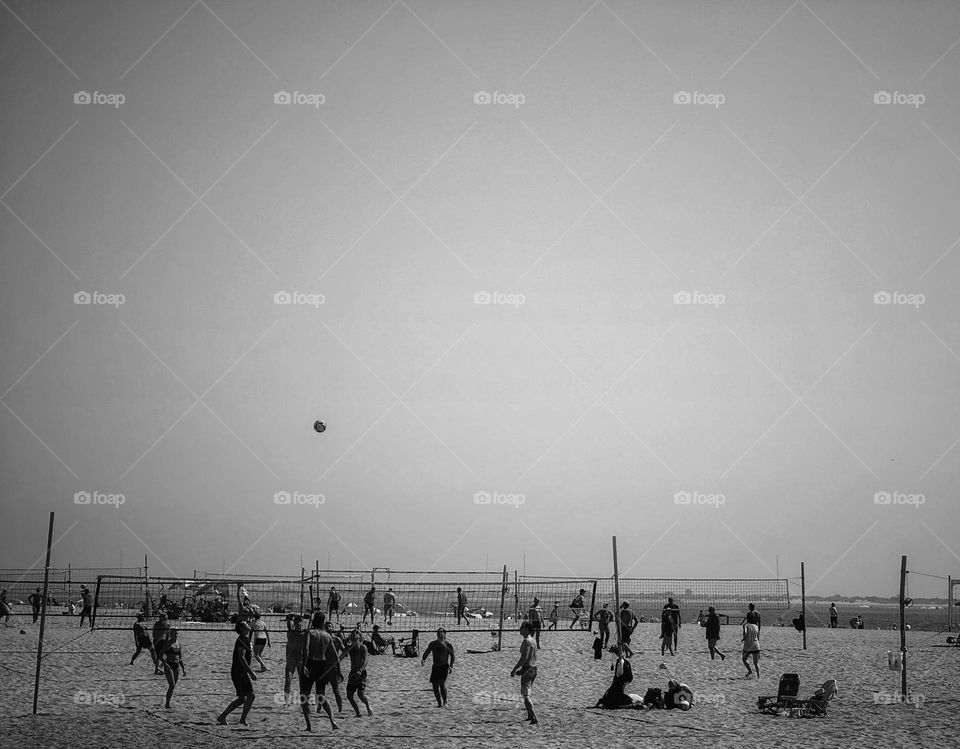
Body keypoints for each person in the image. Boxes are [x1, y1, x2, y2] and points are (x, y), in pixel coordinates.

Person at [299, 612, 340, 732]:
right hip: (322, 665)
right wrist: (336, 670)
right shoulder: (327, 636)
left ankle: (308, 726)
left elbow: (306, 649)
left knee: (304, 696)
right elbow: (336, 658)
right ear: (323, 622)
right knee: (321, 695)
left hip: (310, 664)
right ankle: (333, 721)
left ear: (313, 620)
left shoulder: (309, 632)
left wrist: (304, 665)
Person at [217, 621, 258, 726]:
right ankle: (241, 719)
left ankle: (224, 717)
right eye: (246, 624)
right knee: (250, 696)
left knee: (243, 698)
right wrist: (251, 672)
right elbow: (241, 657)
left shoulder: (245, 638)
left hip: (240, 671)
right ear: (242, 628)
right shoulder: (243, 639)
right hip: (239, 672)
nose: (248, 625)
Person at [510, 621, 539, 724]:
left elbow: (524, 658)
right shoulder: (533, 640)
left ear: (527, 629)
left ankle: (534, 717)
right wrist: (521, 670)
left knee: (525, 695)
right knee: (525, 693)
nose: (520, 629)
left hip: (528, 669)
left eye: (522, 627)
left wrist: (514, 669)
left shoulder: (527, 641)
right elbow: (530, 658)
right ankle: (530, 715)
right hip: (533, 668)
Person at [421, 627, 455, 707]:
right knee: (435, 686)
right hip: (435, 666)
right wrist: (423, 659)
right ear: (437, 635)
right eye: (439, 633)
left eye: (442, 633)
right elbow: (427, 651)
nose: (441, 635)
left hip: (444, 666)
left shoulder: (448, 645)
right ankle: (439, 703)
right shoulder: (433, 644)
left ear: (445, 635)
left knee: (442, 684)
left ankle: (445, 702)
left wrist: (451, 666)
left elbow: (453, 656)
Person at [344, 629, 373, 717]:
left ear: (360, 636)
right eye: (352, 634)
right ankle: (358, 713)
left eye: (356, 633)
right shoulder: (350, 648)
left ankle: (368, 706)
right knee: (349, 696)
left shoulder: (363, 647)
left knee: (360, 694)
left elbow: (365, 660)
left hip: (361, 672)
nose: (354, 635)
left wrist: (360, 671)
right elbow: (343, 653)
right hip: (352, 671)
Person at [157, 628, 186, 708]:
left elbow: (180, 658)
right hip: (169, 665)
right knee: (172, 685)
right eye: (175, 633)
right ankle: (167, 704)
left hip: (176, 666)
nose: (176, 634)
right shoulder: (168, 644)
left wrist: (183, 669)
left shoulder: (179, 644)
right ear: (171, 634)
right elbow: (160, 654)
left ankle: (167, 704)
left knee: (173, 686)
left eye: (177, 633)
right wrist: (165, 664)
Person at [283, 614, 306, 705]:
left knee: (302, 681)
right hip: (291, 659)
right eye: (296, 622)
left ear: (302, 623)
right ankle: (286, 702)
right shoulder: (290, 632)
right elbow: (289, 624)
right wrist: (290, 618)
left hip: (301, 659)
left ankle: (302, 701)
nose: (298, 624)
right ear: (294, 623)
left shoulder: (305, 633)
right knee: (288, 680)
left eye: (299, 622)